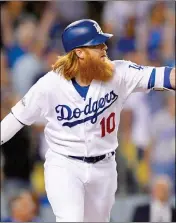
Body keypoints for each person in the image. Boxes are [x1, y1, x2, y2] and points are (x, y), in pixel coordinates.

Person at [0, 19, 175, 222]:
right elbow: (15, 119)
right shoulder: (49, 85)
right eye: (97, 45)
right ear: (79, 52)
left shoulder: (119, 73)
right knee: (70, 219)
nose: (104, 48)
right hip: (64, 164)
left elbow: (166, 76)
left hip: (104, 166)